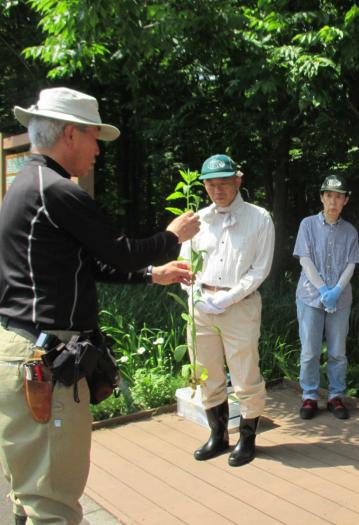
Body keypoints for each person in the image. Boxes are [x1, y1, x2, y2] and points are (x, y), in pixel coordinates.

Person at [0, 87, 200, 525]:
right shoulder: (56, 192)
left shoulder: (27, 186)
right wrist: (172, 237)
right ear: (70, 133)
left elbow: (86, 265)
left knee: (30, 492)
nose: (98, 150)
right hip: (44, 361)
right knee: (52, 505)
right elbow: (120, 251)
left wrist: (153, 274)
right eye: (95, 137)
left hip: (23, 350)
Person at [183, 154, 274, 467]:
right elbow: (185, 265)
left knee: (245, 372)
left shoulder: (259, 218)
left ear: (238, 180)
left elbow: (259, 268)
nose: (217, 189)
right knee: (205, 371)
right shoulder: (196, 221)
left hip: (240, 306)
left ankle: (247, 437)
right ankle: (217, 434)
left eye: (223, 182)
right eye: (210, 183)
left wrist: (228, 297)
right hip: (201, 305)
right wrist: (195, 294)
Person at [293, 174, 359, 420]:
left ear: (345, 201)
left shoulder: (350, 231)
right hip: (310, 297)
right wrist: (323, 289)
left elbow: (351, 264)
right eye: (329, 195)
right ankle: (309, 396)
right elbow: (304, 259)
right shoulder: (307, 225)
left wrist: (336, 291)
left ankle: (335, 396)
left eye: (338, 196)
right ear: (322, 197)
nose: (333, 201)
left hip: (340, 300)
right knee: (310, 350)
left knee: (337, 351)